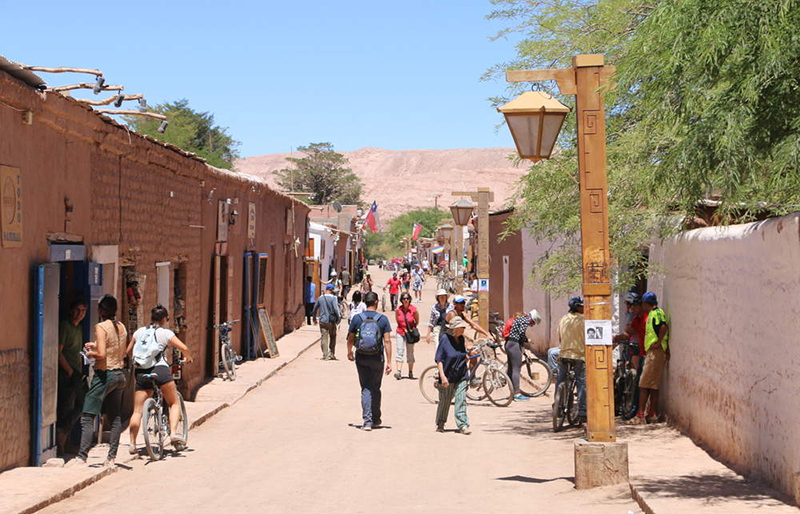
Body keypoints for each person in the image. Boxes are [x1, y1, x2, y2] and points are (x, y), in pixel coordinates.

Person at [67, 295, 127, 467]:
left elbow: (101, 354)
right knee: (115, 418)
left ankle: (81, 456)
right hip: (119, 375)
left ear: (101, 311)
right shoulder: (121, 326)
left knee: (87, 415)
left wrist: (90, 354)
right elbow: (116, 348)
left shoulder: (101, 326)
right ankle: (111, 458)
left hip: (104, 375)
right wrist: (94, 345)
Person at [127, 305, 194, 454]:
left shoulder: (139, 332)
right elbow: (184, 347)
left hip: (141, 372)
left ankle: (132, 444)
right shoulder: (165, 333)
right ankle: (174, 433)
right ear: (164, 319)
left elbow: (128, 351)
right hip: (160, 370)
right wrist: (188, 358)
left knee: (137, 411)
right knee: (174, 402)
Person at [347, 291, 393, 431]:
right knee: (375, 387)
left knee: (365, 387)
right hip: (377, 357)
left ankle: (367, 421)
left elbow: (350, 338)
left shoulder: (357, 318)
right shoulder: (383, 319)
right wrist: (389, 362)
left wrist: (349, 351)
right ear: (376, 302)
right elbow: (387, 341)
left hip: (361, 356)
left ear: (365, 302)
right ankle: (376, 419)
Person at [56, 299, 87, 454]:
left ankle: (64, 435)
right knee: (66, 407)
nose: (80, 313)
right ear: (71, 310)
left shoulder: (79, 328)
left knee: (81, 405)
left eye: (83, 311)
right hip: (67, 373)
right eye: (78, 309)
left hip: (76, 373)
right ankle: (61, 444)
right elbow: (58, 351)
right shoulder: (65, 326)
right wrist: (69, 371)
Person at [435, 316, 475, 434]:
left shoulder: (461, 339)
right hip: (448, 376)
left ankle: (463, 425)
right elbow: (439, 359)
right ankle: (441, 423)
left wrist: (467, 356)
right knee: (445, 401)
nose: (463, 329)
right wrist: (442, 376)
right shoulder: (444, 340)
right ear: (454, 328)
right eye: (461, 327)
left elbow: (462, 354)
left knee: (461, 399)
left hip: (461, 374)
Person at [633, 292, 670, 424]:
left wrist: (659, 342)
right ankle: (651, 414)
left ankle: (641, 415)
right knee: (652, 385)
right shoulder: (652, 314)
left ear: (645, 303)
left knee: (643, 384)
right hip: (653, 352)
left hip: (656, 353)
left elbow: (663, 326)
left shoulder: (656, 313)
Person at [557, 296, 587, 422]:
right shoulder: (584, 320)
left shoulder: (563, 319)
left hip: (564, 355)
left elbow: (559, 336)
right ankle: (583, 411)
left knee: (561, 379)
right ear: (579, 307)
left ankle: (558, 406)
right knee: (581, 382)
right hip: (579, 356)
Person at [505, 309, 542, 401]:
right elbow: (521, 334)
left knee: (511, 368)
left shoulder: (520, 319)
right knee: (516, 369)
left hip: (509, 343)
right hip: (514, 345)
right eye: (533, 323)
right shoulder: (525, 321)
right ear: (532, 319)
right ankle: (517, 394)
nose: (532, 325)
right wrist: (526, 340)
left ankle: (512, 392)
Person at [394, 292, 420, 380]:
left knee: (410, 352)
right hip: (400, 331)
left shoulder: (414, 309)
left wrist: (411, 329)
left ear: (410, 299)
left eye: (407, 298)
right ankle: (398, 371)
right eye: (404, 298)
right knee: (399, 351)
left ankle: (410, 372)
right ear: (401, 300)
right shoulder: (398, 310)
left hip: (410, 333)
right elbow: (397, 320)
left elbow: (417, 320)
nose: (405, 300)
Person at [313, 284, 342, 360]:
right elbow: (336, 309)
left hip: (322, 320)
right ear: (332, 290)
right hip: (331, 321)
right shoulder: (334, 298)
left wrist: (314, 318)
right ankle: (331, 353)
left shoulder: (320, 298)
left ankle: (325, 355)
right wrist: (338, 318)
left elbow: (315, 309)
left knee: (324, 337)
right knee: (333, 336)